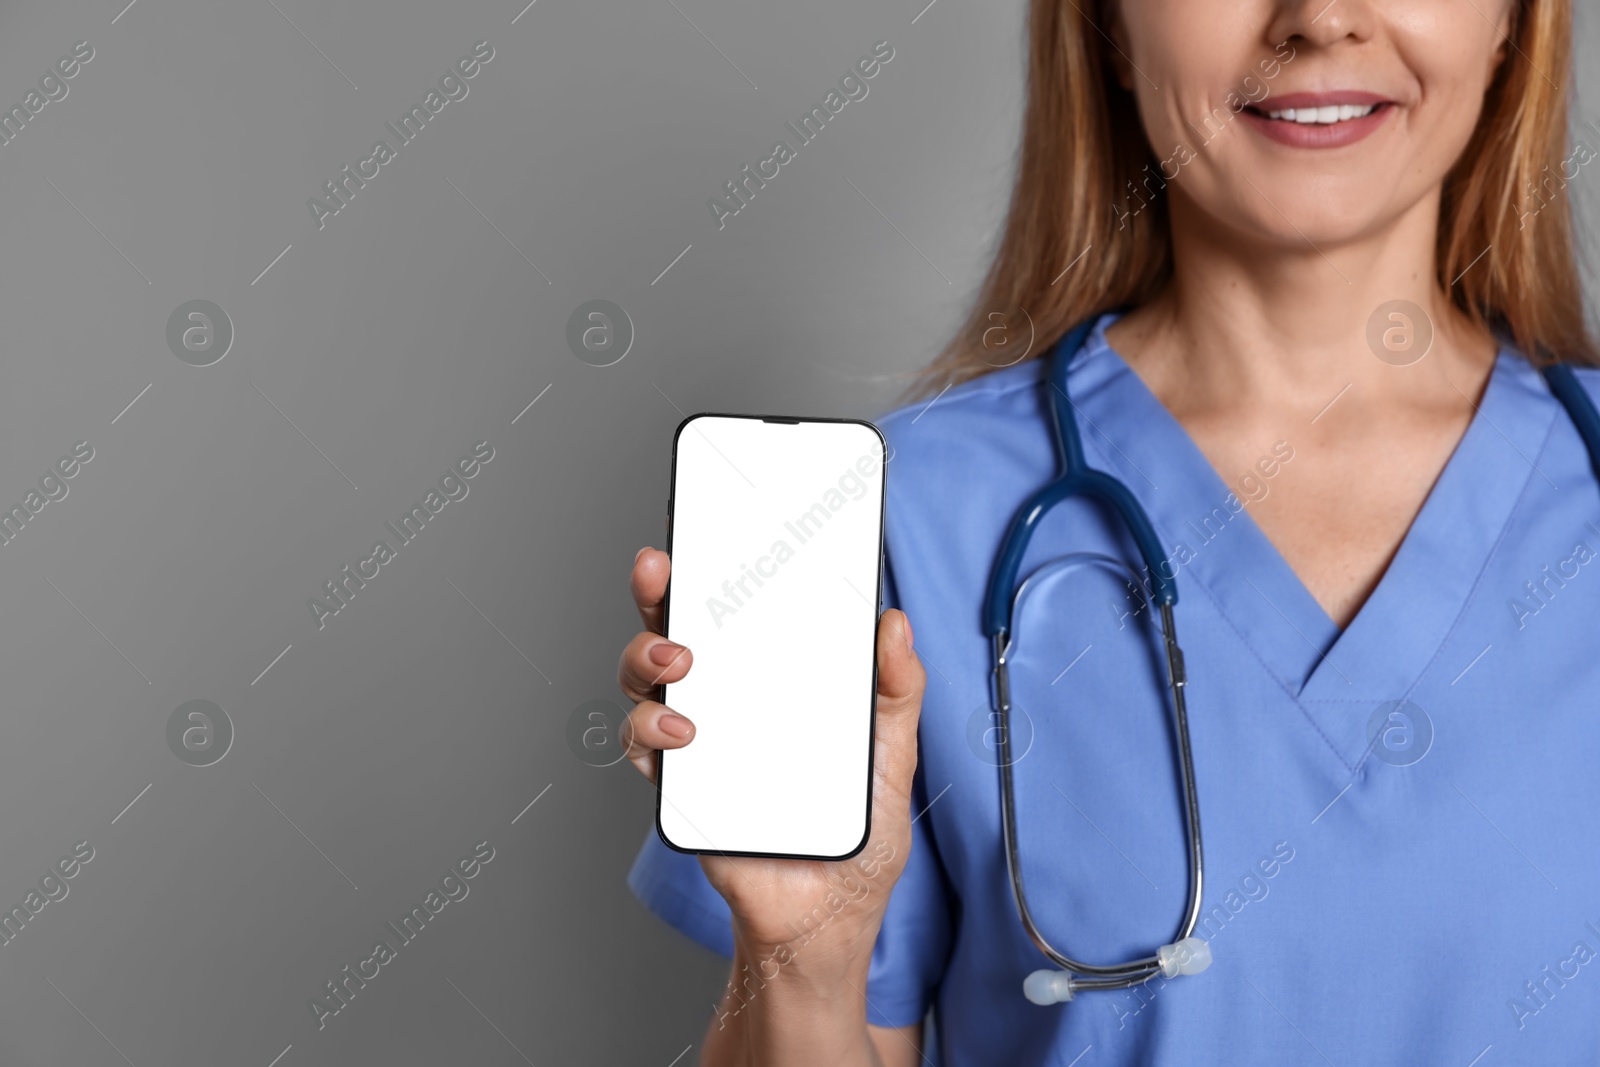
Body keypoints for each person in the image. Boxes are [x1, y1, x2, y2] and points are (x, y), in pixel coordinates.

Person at [618, 0, 1600, 1062]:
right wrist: (804, 963)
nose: (1320, 19)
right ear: (1104, 29)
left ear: (1511, 23)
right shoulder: (903, 521)